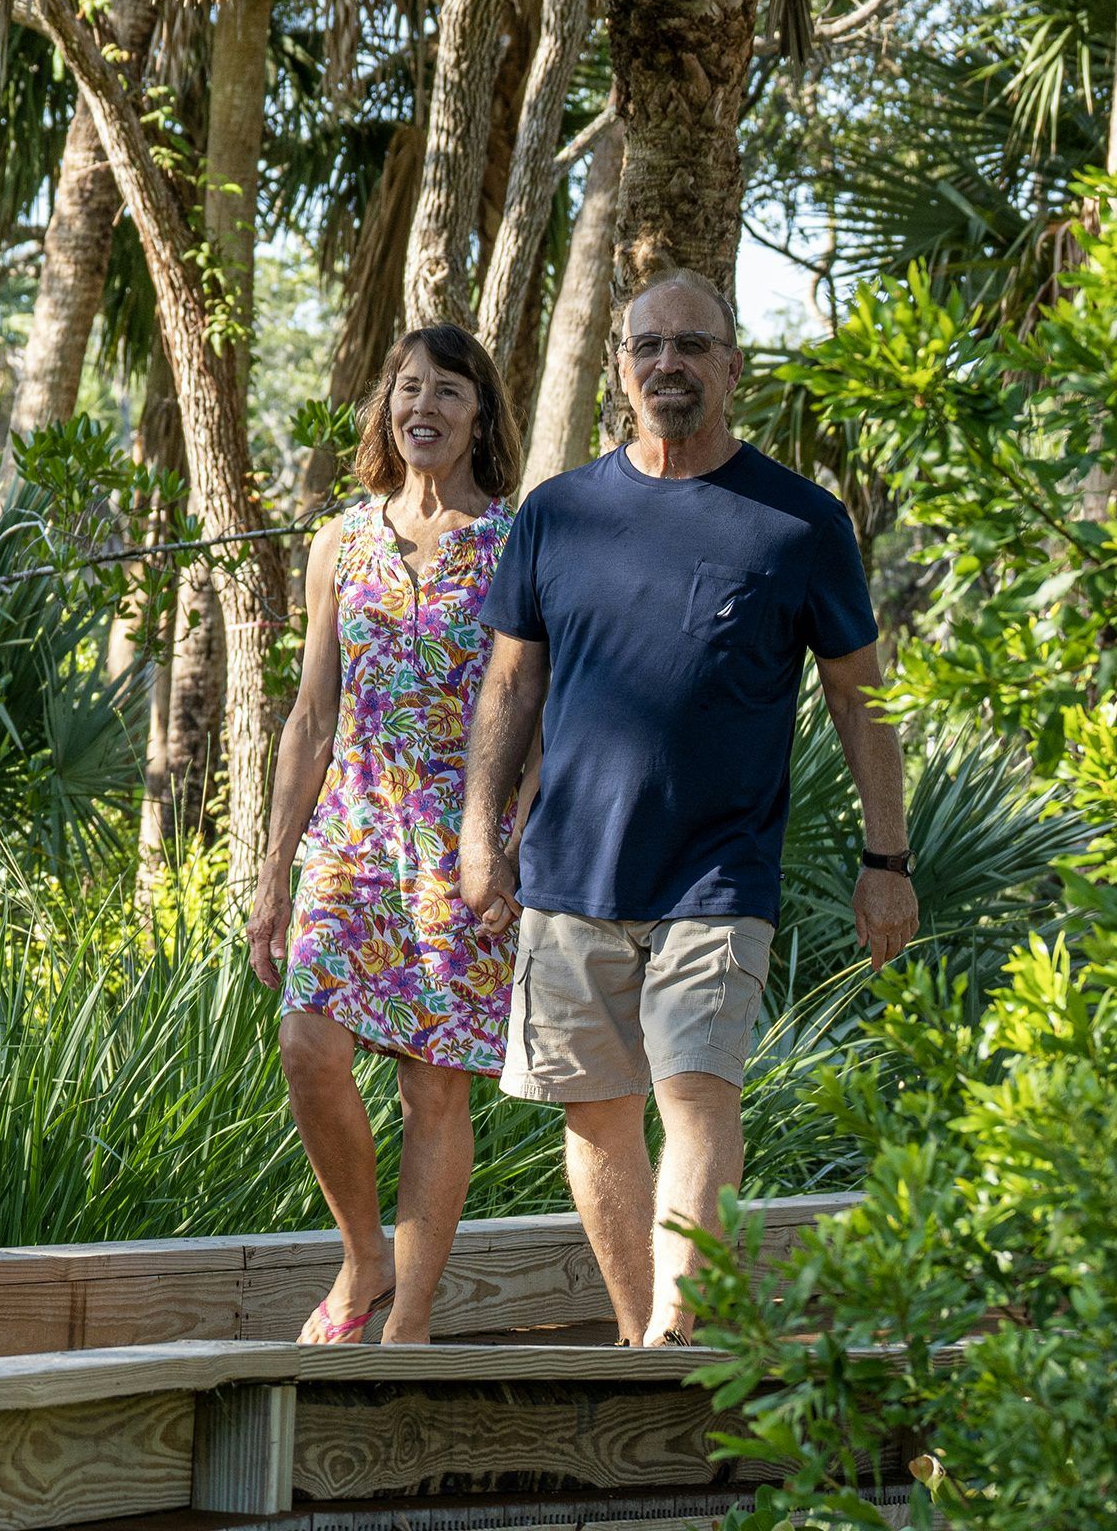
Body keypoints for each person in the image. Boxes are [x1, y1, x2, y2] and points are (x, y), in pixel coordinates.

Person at [459, 268, 919, 1346]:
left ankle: (677, 1318)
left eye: (692, 344)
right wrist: (482, 833)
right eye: (648, 346)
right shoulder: (558, 512)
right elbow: (509, 685)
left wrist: (885, 855)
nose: (669, 363)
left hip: (721, 871)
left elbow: (862, 695)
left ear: (731, 365)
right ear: (620, 367)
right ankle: (643, 1344)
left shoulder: (797, 521)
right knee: (596, 1112)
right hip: (572, 867)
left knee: (698, 1089)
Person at [248, 325, 524, 1345]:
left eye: (449, 391)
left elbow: (534, 702)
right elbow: (312, 714)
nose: (425, 406)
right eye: (409, 387)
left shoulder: (514, 541)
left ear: (480, 416)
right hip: (351, 833)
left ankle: (406, 1318)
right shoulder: (341, 540)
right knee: (307, 1040)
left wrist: (511, 831)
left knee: (431, 1079)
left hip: (462, 838)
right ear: (386, 408)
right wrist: (274, 873)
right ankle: (363, 1251)